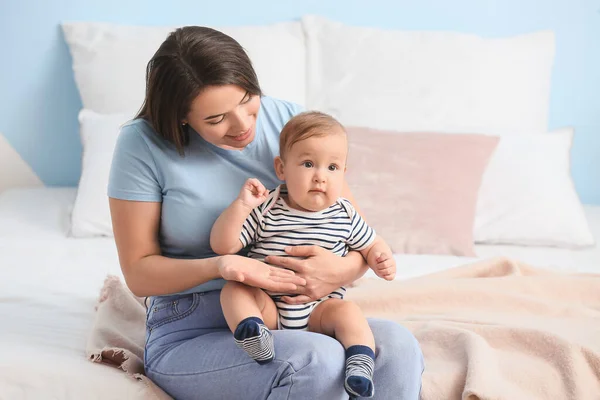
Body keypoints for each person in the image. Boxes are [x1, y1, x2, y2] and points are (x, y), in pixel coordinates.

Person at [108, 25, 424, 400]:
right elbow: (139, 274)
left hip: (302, 310)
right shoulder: (141, 145)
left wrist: (342, 270)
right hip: (192, 323)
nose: (243, 125)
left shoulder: (290, 122)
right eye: (216, 119)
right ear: (181, 117)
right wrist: (222, 266)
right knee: (314, 359)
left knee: (399, 346)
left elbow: (348, 225)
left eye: (247, 99)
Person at [211, 111, 398, 398]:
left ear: (344, 174)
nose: (320, 177)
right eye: (308, 164)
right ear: (282, 169)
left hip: (319, 313)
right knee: (234, 290)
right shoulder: (268, 208)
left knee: (348, 312)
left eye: (332, 167)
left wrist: (381, 258)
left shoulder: (344, 214)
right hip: (269, 307)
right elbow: (224, 246)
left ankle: (360, 361)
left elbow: (370, 243)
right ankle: (253, 333)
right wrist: (241, 206)